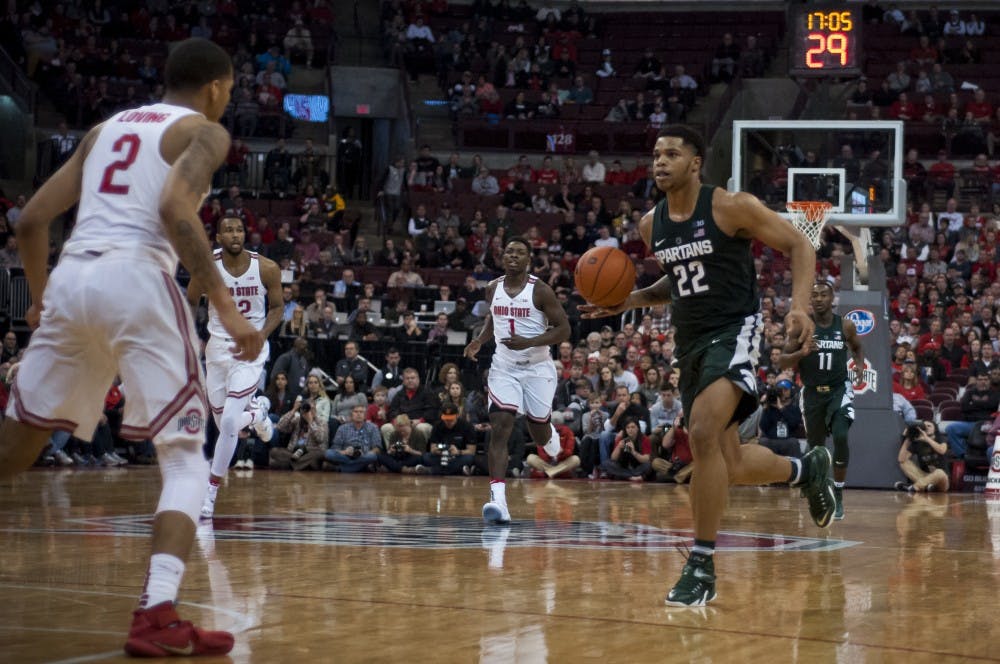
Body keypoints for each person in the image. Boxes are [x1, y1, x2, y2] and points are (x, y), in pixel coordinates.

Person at [0, 39, 252, 655]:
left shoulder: (102, 130)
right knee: (186, 457)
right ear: (216, 87)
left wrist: (39, 298)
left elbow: (31, 220)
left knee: (14, 447)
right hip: (137, 278)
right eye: (231, 91)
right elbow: (175, 210)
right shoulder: (205, 132)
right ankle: (157, 611)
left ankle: (161, 612)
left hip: (73, 277)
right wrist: (228, 310)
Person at [580, 125, 833, 608]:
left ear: (695, 163)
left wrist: (799, 307)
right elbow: (673, 285)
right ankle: (807, 469)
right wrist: (625, 300)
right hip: (691, 341)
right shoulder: (652, 224)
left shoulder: (730, 206)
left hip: (735, 329)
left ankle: (701, 563)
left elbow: (801, 243)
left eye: (672, 154)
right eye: (656, 154)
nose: (660, 162)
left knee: (700, 432)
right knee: (729, 462)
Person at [464, 236, 571, 524]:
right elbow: (493, 319)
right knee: (500, 426)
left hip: (537, 368)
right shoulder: (492, 288)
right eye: (509, 251)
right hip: (504, 367)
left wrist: (530, 341)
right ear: (502, 257)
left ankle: (549, 435)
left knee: (538, 432)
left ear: (528, 260)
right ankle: (498, 501)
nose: (513, 256)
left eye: (519, 253)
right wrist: (479, 341)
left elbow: (564, 329)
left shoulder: (542, 291)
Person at [188, 216, 283, 520]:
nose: (235, 234)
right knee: (223, 423)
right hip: (217, 350)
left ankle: (210, 493)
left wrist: (261, 335)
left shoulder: (266, 267)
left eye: (239, 229)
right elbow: (190, 301)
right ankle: (257, 413)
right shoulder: (206, 267)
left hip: (251, 349)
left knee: (229, 423)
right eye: (228, 229)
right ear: (218, 236)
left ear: (246, 234)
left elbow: (278, 307)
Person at [779, 281, 866, 520]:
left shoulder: (845, 325)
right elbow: (782, 361)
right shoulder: (801, 328)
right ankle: (819, 487)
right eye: (814, 295)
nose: (818, 299)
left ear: (832, 299)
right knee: (816, 448)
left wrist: (858, 364)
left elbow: (858, 348)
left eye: (823, 295)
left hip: (839, 389)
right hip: (812, 393)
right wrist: (801, 353)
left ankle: (838, 494)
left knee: (840, 435)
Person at [896, 420, 950, 492]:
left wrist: (927, 439)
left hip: (941, 480)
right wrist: (909, 437)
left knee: (939, 472)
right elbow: (901, 459)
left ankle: (913, 487)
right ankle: (926, 487)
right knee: (904, 464)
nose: (926, 428)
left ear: (935, 429)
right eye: (924, 426)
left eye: (929, 426)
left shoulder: (941, 438)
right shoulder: (918, 443)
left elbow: (942, 450)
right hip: (925, 476)